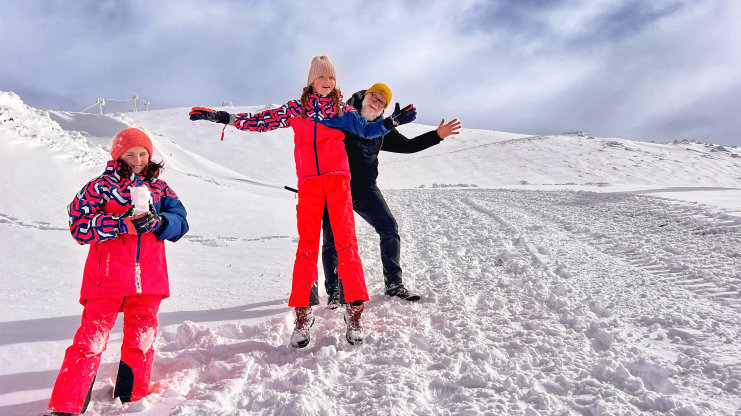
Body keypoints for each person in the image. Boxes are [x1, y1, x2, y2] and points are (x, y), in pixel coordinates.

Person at [188, 56, 416, 348]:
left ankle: (354, 311)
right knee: (307, 247)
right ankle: (303, 314)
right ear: (311, 81)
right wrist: (224, 118)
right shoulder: (297, 110)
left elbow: (367, 130)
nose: (327, 82)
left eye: (332, 79)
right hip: (309, 184)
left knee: (347, 244)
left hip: (338, 182)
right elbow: (259, 122)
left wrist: (392, 121)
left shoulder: (341, 111)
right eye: (322, 77)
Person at [46, 128, 189, 415]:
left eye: (143, 154)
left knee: (142, 338)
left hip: (148, 279)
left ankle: (132, 396)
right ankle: (67, 404)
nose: (137, 160)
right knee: (91, 339)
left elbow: (181, 221)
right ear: (118, 155)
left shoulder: (160, 189)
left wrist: (160, 222)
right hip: (107, 277)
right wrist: (121, 224)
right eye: (130, 154)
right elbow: (79, 226)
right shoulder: (99, 187)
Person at [321, 83, 461, 308]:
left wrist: (437, 135)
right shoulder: (342, 114)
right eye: (374, 97)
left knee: (389, 228)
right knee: (332, 240)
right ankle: (335, 292)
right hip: (335, 188)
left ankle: (394, 285)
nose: (375, 103)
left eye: (381, 102)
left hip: (366, 189)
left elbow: (408, 146)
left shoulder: (382, 128)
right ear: (366, 96)